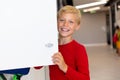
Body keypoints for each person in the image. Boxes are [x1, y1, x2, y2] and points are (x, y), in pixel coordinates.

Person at [49, 5, 90, 80]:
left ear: (77, 26)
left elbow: (85, 78)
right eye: (62, 20)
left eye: (71, 22)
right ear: (56, 22)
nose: (65, 24)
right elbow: (37, 66)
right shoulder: (51, 46)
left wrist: (64, 67)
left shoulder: (79, 49)